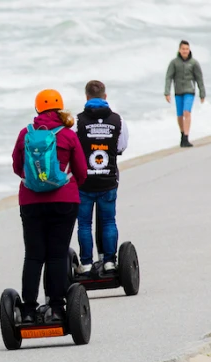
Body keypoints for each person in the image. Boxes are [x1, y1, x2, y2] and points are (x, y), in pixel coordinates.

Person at [12, 89, 88, 324]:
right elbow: (82, 173)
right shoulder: (67, 135)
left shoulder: (26, 134)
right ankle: (55, 308)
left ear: (37, 110)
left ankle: (27, 311)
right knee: (57, 254)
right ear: (60, 108)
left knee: (33, 256)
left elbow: (17, 167)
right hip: (64, 202)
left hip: (31, 203)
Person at [76, 81, 127, 276]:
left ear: (86, 97)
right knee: (108, 221)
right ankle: (109, 262)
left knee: (84, 224)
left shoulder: (77, 120)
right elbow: (121, 147)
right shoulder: (118, 120)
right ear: (105, 97)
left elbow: (74, 149)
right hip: (108, 179)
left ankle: (87, 264)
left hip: (85, 181)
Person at [164, 40, 206, 147]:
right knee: (179, 115)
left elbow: (199, 78)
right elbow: (168, 77)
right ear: (179, 50)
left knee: (187, 112)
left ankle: (186, 137)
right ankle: (182, 134)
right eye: (183, 49)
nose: (185, 51)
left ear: (189, 50)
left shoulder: (194, 63)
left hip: (189, 91)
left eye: (187, 49)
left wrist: (202, 93)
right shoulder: (174, 63)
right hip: (178, 92)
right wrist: (167, 92)